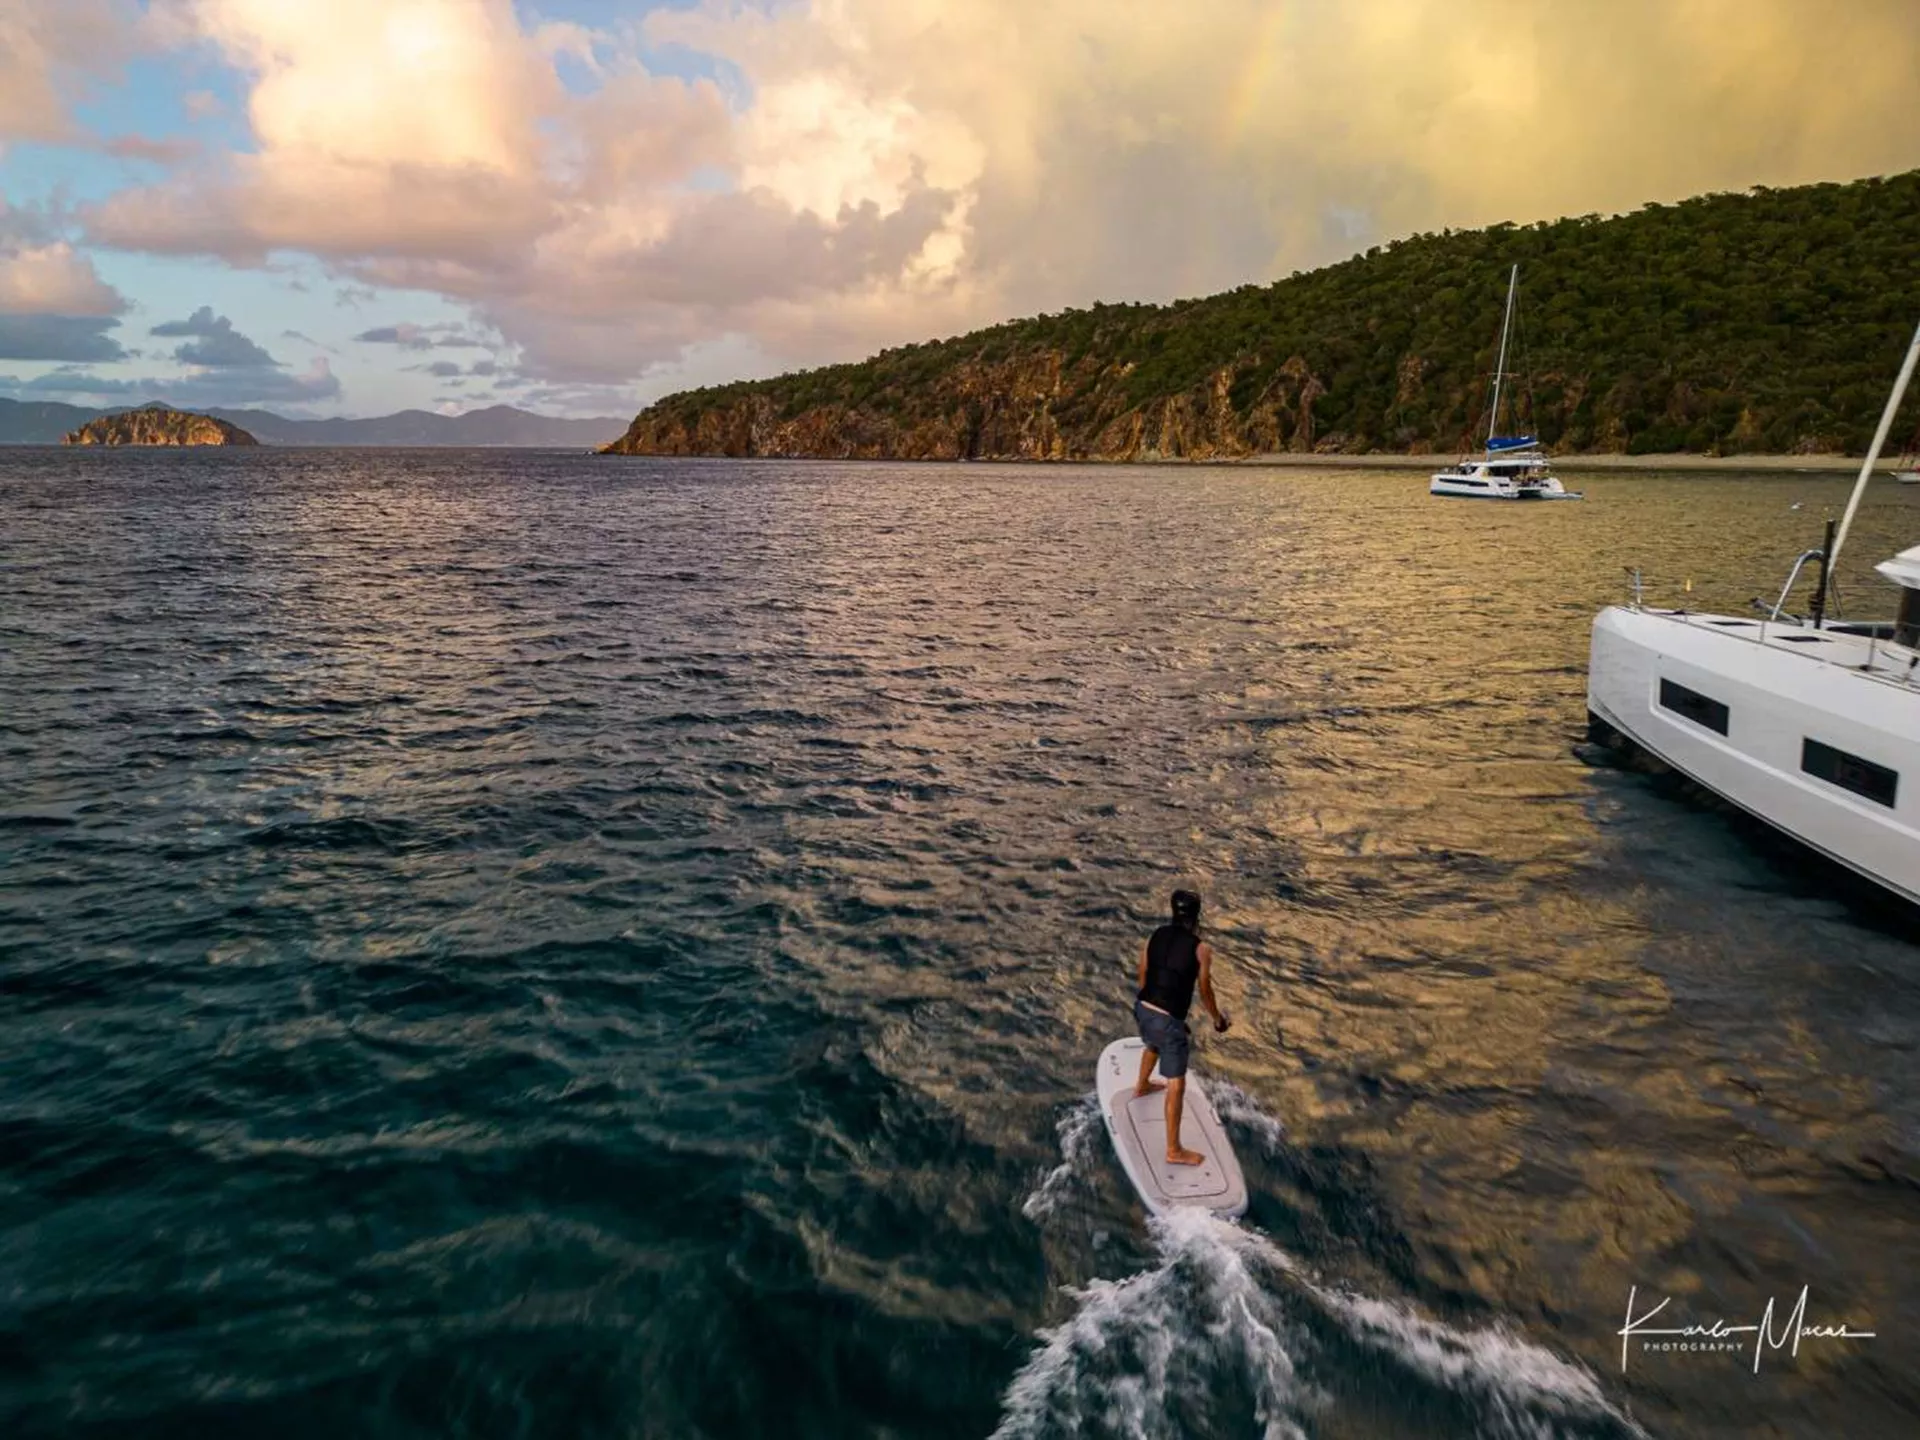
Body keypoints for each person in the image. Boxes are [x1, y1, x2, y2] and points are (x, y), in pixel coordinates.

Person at [1133, 888, 1229, 1165]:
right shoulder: (1201, 949)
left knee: (1155, 1041)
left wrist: (1153, 1010)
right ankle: (1174, 1150)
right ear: (1197, 916)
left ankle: (1142, 1085)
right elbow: (1205, 990)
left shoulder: (1155, 936)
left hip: (1142, 1007)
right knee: (1176, 1083)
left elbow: (1143, 973)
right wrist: (1218, 1020)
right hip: (1166, 1019)